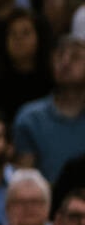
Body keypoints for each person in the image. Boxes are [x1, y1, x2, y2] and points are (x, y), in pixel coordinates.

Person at [13, 34, 85, 181]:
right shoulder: (31, 118)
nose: (65, 62)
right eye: (59, 56)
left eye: (75, 57)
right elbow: (25, 181)